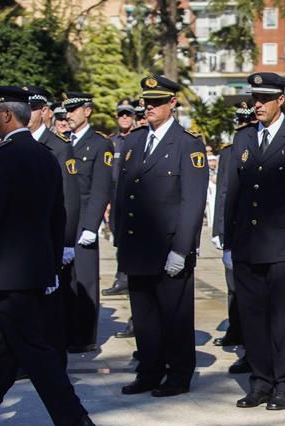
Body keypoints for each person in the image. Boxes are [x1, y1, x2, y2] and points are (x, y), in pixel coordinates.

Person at [0, 84, 96, 426]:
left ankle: (73, 419)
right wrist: (51, 259)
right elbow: (57, 215)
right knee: (9, 346)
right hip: (37, 269)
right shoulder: (45, 155)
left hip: (10, 272)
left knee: (33, 349)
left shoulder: (2, 157)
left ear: (7, 115)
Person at [223, 72, 285, 411]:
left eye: (265, 99)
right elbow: (233, 193)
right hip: (248, 243)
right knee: (252, 317)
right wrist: (227, 243)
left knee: (282, 320)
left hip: (283, 245)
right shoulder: (245, 138)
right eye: (255, 98)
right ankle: (260, 382)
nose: (258, 104)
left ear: (281, 100)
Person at [115, 75, 208, 397]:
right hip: (137, 245)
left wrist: (182, 248)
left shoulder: (187, 142)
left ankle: (179, 374)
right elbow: (123, 192)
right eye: (146, 102)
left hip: (169, 246)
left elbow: (192, 201)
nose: (149, 108)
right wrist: (119, 242)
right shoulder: (134, 141)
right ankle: (150, 370)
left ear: (172, 103)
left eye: (156, 102)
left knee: (175, 316)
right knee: (144, 316)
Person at [27, 85, 80, 367]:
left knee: (51, 307)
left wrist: (67, 242)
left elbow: (69, 198)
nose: (29, 113)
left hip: (51, 239)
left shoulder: (58, 145)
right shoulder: (14, 143)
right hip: (24, 240)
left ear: (45, 112)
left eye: (34, 108)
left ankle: (54, 361)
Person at [62, 91, 113, 353]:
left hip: (84, 220)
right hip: (65, 221)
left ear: (87, 111)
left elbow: (100, 189)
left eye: (73, 110)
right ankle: (67, 331)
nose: (68, 115)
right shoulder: (63, 142)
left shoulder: (99, 144)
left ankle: (84, 336)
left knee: (85, 280)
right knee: (65, 281)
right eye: (66, 111)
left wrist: (91, 226)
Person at [215, 104, 252, 356]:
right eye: (240, 121)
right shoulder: (228, 153)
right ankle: (235, 328)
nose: (242, 126)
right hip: (234, 228)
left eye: (246, 121)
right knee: (232, 285)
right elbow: (222, 194)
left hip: (255, 229)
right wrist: (219, 229)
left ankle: (248, 334)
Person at [104, 100, 137, 298]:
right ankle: (121, 277)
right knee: (118, 238)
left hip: (132, 194)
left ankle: (128, 277)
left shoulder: (137, 139)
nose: (124, 118)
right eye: (121, 114)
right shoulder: (111, 141)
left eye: (128, 114)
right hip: (115, 195)